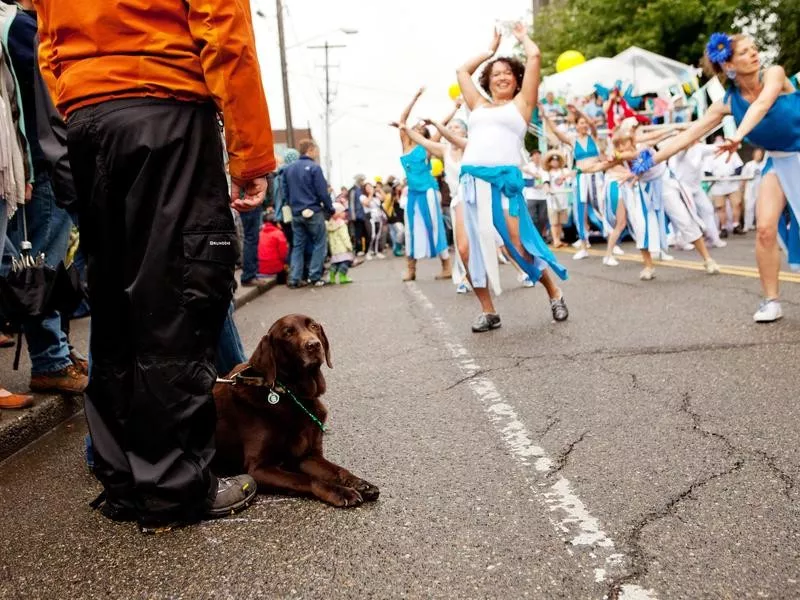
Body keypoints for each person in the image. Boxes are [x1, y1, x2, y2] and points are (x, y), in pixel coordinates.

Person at [37, 0, 275, 530]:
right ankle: (174, 488)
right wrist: (251, 153)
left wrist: (79, 102)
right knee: (176, 298)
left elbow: (46, 38)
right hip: (164, 107)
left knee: (117, 303)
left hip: (87, 116)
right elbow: (223, 29)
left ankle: (124, 478)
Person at [652, 32, 800, 322]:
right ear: (729, 66)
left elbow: (762, 104)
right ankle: (771, 300)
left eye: (754, 48)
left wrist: (738, 135)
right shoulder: (727, 103)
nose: (754, 54)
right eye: (744, 52)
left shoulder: (775, 74)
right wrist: (648, 162)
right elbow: (691, 134)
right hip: (779, 163)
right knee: (766, 230)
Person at [455, 23, 569, 332]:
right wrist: (490, 50)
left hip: (503, 184)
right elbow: (462, 72)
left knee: (518, 247)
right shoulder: (477, 105)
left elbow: (535, 56)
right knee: (466, 249)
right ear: (488, 81)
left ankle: (553, 292)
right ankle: (488, 311)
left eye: (507, 72)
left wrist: (522, 37)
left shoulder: (522, 105)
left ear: (517, 80)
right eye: (495, 73)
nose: (502, 76)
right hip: (471, 183)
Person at [0, 0, 88, 394]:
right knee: (42, 267)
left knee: (38, 263)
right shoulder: (23, 28)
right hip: (44, 162)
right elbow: (46, 98)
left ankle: (57, 354)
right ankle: (51, 359)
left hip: (36, 162)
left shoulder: (23, 26)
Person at [390, 88, 452, 282]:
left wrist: (456, 108)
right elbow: (402, 119)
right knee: (411, 229)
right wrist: (415, 97)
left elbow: (443, 125)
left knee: (434, 226)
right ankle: (411, 269)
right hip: (413, 194)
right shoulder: (405, 146)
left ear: (424, 134)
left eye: (419, 129)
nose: (416, 129)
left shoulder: (427, 146)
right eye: (414, 128)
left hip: (429, 192)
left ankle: (446, 266)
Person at [541, 101, 612, 259]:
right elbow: (557, 133)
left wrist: (579, 110)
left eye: (585, 122)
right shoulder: (573, 140)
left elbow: (593, 124)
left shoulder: (593, 137)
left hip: (596, 176)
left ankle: (612, 239)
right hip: (581, 177)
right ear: (576, 125)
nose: (584, 125)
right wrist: (545, 116)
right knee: (581, 211)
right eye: (581, 123)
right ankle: (583, 245)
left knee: (601, 207)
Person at [284, 139, 333, 288]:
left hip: (296, 212)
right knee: (320, 243)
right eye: (316, 150)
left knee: (298, 246)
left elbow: (286, 193)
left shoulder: (288, 169)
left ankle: (294, 278)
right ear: (310, 149)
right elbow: (322, 192)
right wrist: (330, 208)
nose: (317, 153)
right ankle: (314, 276)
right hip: (313, 210)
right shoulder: (314, 168)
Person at [668, 141, 727, 249]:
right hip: (682, 186)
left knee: (708, 209)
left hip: (696, 187)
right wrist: (685, 140)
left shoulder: (699, 148)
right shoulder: (679, 149)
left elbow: (714, 148)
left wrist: (729, 144)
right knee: (688, 213)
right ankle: (681, 240)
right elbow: (682, 150)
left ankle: (714, 238)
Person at [707, 135, 744, 236]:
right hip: (718, 185)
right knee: (720, 207)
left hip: (732, 183)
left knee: (736, 204)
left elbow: (739, 166)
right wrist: (715, 178)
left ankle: (736, 225)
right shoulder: (710, 155)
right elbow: (707, 171)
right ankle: (723, 228)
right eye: (717, 140)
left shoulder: (732, 152)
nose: (719, 141)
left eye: (721, 139)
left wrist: (734, 175)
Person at [541, 150, 574, 249]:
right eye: (552, 160)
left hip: (563, 199)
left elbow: (570, 179)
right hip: (552, 200)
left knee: (560, 222)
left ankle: (559, 239)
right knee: (554, 222)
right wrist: (548, 189)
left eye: (557, 160)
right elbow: (545, 183)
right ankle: (555, 240)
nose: (555, 162)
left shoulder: (564, 171)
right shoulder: (547, 173)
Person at [522, 149, 549, 239]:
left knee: (543, 218)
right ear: (532, 157)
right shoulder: (527, 167)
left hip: (542, 197)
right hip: (531, 196)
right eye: (535, 155)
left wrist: (545, 185)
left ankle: (540, 236)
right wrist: (533, 182)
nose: (537, 157)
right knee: (533, 218)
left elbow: (546, 180)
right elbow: (524, 181)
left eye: (539, 155)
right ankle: (534, 237)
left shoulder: (544, 167)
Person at [326, 202, 354, 284]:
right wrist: (349, 246)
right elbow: (344, 237)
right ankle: (343, 276)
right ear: (337, 213)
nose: (345, 213)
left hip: (334, 249)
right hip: (343, 248)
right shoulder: (341, 224)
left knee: (335, 263)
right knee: (345, 263)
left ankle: (332, 277)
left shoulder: (329, 224)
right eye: (343, 211)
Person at [257, 211, 289, 282]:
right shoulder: (279, 234)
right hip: (276, 268)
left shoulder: (259, 233)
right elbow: (283, 254)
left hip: (260, 268)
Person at [742, 148, 767, 232]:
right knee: (749, 207)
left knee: (760, 208)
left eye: (760, 154)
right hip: (750, 189)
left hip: (761, 189)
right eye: (757, 154)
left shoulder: (764, 164)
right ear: (753, 155)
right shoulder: (749, 165)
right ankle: (747, 225)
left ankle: (759, 224)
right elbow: (743, 178)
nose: (758, 156)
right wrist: (743, 189)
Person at [348, 174, 369, 256]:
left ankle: (365, 249)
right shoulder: (353, 190)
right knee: (358, 233)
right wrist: (352, 216)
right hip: (357, 215)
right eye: (362, 180)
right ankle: (358, 249)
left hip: (363, 215)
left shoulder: (361, 190)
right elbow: (351, 204)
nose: (363, 182)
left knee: (365, 232)